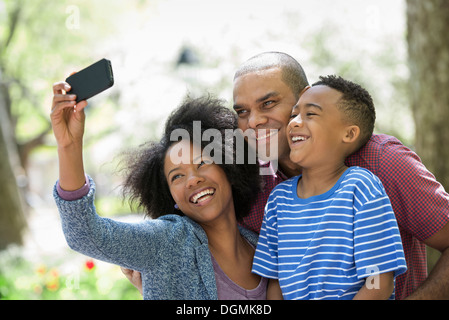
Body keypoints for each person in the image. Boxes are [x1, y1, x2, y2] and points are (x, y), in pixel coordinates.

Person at [232, 51, 449, 300]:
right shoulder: (260, 189)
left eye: (268, 103)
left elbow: (379, 281)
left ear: (304, 98)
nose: (254, 122)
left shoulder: (381, 165)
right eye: (242, 112)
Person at [51, 83, 266, 299]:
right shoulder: (166, 242)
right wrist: (69, 145)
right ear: (170, 196)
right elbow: (85, 234)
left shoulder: (261, 246)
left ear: (228, 168)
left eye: (202, 163)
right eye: (177, 176)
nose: (192, 180)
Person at [252, 75, 407, 300]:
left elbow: (378, 282)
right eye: (294, 114)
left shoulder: (360, 188)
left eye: (311, 114)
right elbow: (275, 284)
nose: (294, 122)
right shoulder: (278, 200)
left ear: (349, 134)